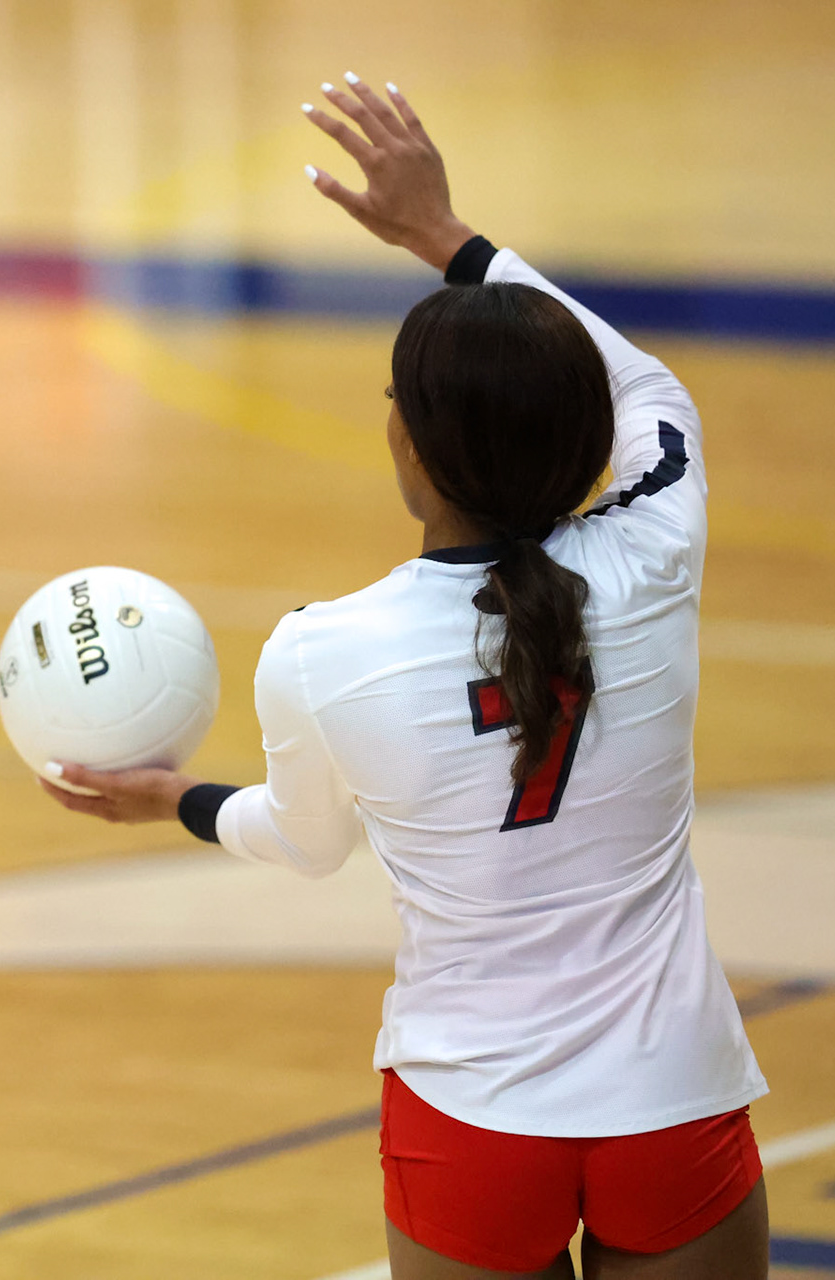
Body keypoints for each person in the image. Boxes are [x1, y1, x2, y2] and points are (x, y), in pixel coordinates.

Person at [38, 75, 769, 1280]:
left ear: (411, 447)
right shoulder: (656, 547)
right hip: (672, 1099)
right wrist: (450, 240)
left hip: (470, 1123)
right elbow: (644, 383)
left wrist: (175, 797)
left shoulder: (326, 650)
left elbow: (305, 840)